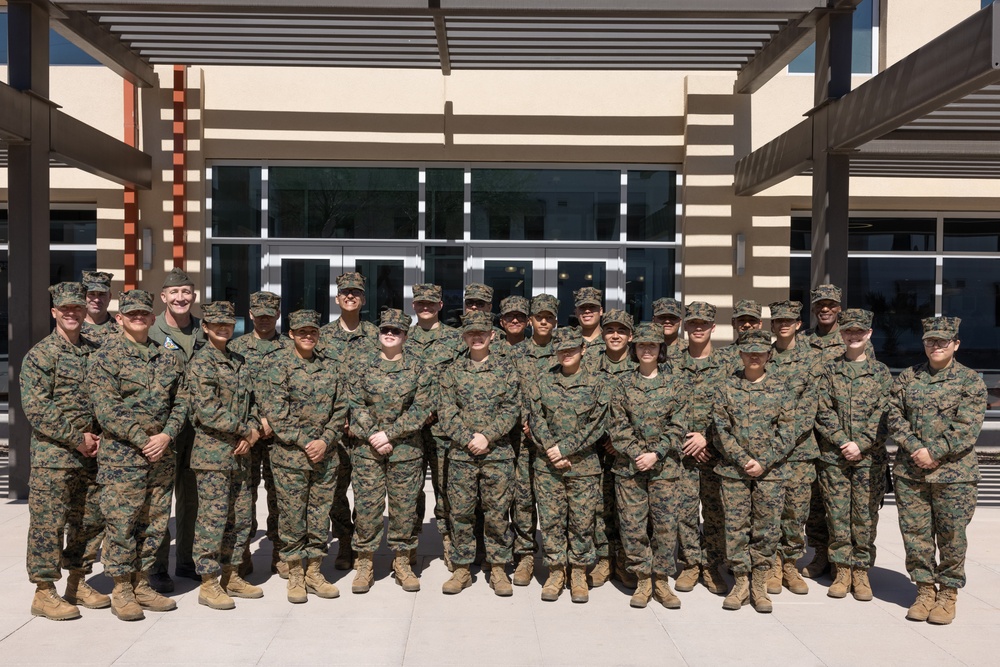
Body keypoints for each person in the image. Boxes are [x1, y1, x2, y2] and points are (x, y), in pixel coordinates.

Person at [88, 289, 187, 621]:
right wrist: (143, 438)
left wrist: (166, 434)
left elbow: (182, 401)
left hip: (161, 455)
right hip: (123, 458)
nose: (139, 319)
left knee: (155, 523)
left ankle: (143, 582)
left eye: (145, 314)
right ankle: (121, 588)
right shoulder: (105, 357)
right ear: (120, 319)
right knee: (122, 523)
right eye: (132, 315)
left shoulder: (167, 357)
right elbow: (106, 407)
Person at [888, 316, 987, 625]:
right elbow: (892, 414)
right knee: (915, 536)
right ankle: (925, 590)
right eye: (930, 341)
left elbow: (967, 427)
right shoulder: (908, 377)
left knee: (952, 536)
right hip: (911, 473)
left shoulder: (971, 381)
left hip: (954, 475)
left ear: (955, 344)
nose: (935, 347)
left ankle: (948, 594)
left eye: (942, 342)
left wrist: (934, 452)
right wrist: (915, 447)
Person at [21, 282, 107, 621]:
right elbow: (37, 408)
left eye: (78, 308)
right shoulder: (40, 355)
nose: (72, 314)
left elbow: (107, 397)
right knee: (48, 524)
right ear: (55, 312)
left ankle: (77, 582)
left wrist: (99, 437)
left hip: (92, 455)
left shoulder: (96, 351)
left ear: (86, 313)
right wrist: (77, 438)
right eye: (65, 309)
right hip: (54, 458)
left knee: (88, 522)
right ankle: (44, 592)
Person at [261, 309, 348, 604]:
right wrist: (304, 441)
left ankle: (314, 570)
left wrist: (324, 440)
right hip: (290, 458)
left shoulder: (332, 367)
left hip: (324, 456)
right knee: (292, 518)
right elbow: (276, 412)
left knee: (318, 517)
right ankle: (295, 574)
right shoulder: (277, 366)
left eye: (312, 332)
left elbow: (340, 409)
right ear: (291, 334)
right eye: (302, 332)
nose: (308, 336)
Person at [348, 309, 432, 594]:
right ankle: (364, 563)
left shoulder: (420, 367)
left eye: (395, 331)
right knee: (367, 509)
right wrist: (374, 434)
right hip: (367, 451)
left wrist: (390, 434)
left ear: (405, 336)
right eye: (385, 329)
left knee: (404, 509)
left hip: (405, 450)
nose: (389, 334)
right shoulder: (362, 366)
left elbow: (422, 408)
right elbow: (355, 404)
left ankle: (402, 562)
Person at [713, 329, 796, 613]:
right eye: (749, 351)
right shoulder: (725, 387)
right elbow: (721, 431)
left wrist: (763, 461)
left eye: (760, 352)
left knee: (766, 529)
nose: (754, 356)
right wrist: (741, 458)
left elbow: (788, 431)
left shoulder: (781, 388)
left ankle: (759, 583)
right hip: (734, 471)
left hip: (770, 472)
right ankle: (740, 581)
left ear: (769, 355)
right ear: (740, 353)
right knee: (735, 528)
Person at [526, 326, 611, 603]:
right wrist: (551, 449)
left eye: (572, 349)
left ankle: (578, 572)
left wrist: (565, 449)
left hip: (583, 466)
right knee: (551, 521)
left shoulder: (599, 383)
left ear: (583, 350)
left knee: (582, 521)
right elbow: (535, 418)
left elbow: (597, 424)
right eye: (561, 350)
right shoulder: (542, 380)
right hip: (548, 465)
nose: (566, 354)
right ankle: (555, 570)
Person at [188, 301, 264, 610]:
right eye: (216, 324)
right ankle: (208, 582)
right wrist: (244, 431)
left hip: (241, 455)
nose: (223, 328)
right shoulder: (200, 363)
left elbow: (256, 402)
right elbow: (207, 409)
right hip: (213, 456)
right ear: (205, 327)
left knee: (241, 518)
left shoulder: (240, 361)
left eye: (228, 324)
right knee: (213, 520)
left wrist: (255, 429)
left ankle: (232, 574)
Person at [438, 310, 520, 596]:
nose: (476, 337)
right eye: (471, 333)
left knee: (497, 514)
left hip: (497, 454)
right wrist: (467, 438)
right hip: (462, 455)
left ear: (492, 336)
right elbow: (446, 411)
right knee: (460, 513)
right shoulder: (452, 371)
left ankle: (498, 567)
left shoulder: (506, 370)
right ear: (463, 336)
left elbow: (512, 408)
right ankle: (462, 568)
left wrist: (487, 436)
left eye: (482, 333)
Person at [814, 309, 892, 602]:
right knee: (836, 515)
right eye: (849, 332)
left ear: (869, 334)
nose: (854, 336)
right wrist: (842, 441)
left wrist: (860, 443)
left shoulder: (882, 373)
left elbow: (886, 414)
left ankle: (861, 571)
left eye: (860, 332)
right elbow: (822, 411)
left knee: (864, 517)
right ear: (842, 335)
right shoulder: (829, 371)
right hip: (835, 458)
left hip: (869, 460)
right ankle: (842, 569)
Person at [610, 322, 688, 609]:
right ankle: (642, 580)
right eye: (641, 345)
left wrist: (655, 453)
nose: (646, 350)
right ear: (634, 349)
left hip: (664, 468)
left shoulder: (676, 383)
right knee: (633, 526)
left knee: (666, 527)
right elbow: (618, 426)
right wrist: (637, 454)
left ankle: (661, 581)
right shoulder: (622, 384)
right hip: (630, 468)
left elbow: (679, 423)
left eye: (652, 346)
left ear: (661, 349)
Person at [148, 267, 206, 592]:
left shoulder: (204, 332)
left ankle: (187, 560)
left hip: (196, 431)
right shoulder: (151, 331)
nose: (181, 298)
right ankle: (157, 568)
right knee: (160, 501)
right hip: (162, 431)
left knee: (191, 500)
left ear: (193, 295)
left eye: (186, 292)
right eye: (175, 293)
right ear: (164, 297)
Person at [321, 272, 380, 570]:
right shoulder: (322, 336)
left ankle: (363, 547)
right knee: (335, 491)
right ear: (337, 298)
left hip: (365, 429)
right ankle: (344, 543)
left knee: (367, 493)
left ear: (363, 299)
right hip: (333, 430)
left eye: (356, 292)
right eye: (345, 292)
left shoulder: (376, 335)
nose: (350, 296)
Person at [228, 291, 288, 578]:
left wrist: (272, 421)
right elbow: (234, 393)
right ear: (250, 315)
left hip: (281, 435)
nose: (264, 320)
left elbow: (298, 392)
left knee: (281, 495)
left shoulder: (290, 348)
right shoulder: (236, 348)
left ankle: (281, 552)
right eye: (259, 315)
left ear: (277, 315)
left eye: (269, 315)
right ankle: (242, 552)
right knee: (244, 494)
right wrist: (254, 424)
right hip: (247, 434)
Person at [765, 300, 821, 596]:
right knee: (769, 510)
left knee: (795, 512)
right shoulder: (763, 356)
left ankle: (790, 563)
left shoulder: (813, 360)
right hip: (768, 452)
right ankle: (772, 562)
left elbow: (809, 407)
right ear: (772, 326)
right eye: (778, 321)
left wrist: (783, 441)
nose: (783, 325)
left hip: (799, 451)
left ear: (799, 324)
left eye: (789, 320)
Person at [673, 302, 729, 595]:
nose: (697, 328)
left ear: (712, 328)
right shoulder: (671, 363)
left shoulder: (727, 366)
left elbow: (733, 411)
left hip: (714, 454)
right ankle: (691, 563)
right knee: (684, 512)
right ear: (685, 327)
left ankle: (711, 564)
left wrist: (707, 438)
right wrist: (685, 440)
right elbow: (664, 407)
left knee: (715, 511)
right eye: (692, 323)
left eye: (703, 324)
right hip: (682, 454)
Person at [405, 283, 462, 568]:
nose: (425, 307)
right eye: (420, 303)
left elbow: (461, 380)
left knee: (446, 489)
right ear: (413, 306)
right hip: (410, 430)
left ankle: (450, 543)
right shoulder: (403, 338)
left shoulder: (456, 339)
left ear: (440, 306)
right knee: (409, 491)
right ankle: (409, 544)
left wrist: (437, 410)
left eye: (431, 303)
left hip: (443, 428)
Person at [509, 293, 559, 586]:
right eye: (539, 316)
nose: (543, 321)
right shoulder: (514, 354)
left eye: (549, 316)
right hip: (523, 439)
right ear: (530, 320)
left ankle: (559, 559)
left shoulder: (564, 351)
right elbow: (507, 393)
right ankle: (525, 556)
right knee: (523, 500)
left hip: (555, 443)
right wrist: (526, 421)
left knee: (555, 504)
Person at [800, 283, 845, 579]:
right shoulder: (803, 341)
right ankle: (819, 554)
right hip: (808, 433)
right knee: (814, 500)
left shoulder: (854, 340)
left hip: (837, 433)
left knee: (838, 500)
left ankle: (842, 558)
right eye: (820, 305)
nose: (825, 309)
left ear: (839, 308)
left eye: (830, 304)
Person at [590, 309, 635, 588]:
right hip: (595, 448)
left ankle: (625, 561)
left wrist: (620, 442)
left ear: (630, 335)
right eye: (609, 330)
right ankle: (605, 560)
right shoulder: (591, 363)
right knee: (600, 506)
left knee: (627, 510)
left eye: (621, 331)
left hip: (627, 451)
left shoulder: (640, 363)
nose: (615, 335)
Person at [81, 270, 120, 340]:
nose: (97, 300)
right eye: (92, 294)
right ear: (84, 296)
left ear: (110, 297)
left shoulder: (121, 331)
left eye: (102, 294)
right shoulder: (73, 329)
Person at [651, 297, 687, 362]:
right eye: (662, 317)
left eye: (672, 317)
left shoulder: (690, 349)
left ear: (680, 322)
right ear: (653, 321)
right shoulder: (644, 349)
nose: (667, 321)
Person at [575, 287, 605, 362]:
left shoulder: (610, 340)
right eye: (582, 307)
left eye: (592, 307)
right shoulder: (568, 340)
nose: (587, 311)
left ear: (601, 311)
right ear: (576, 312)